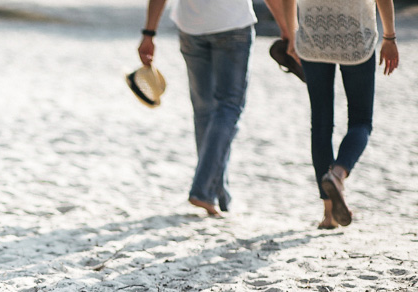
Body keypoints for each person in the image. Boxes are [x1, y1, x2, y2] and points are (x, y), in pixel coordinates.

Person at [139, 0, 288, 218]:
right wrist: (285, 28)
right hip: (232, 24)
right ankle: (205, 190)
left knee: (204, 111)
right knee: (228, 107)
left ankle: (218, 193)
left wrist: (149, 32)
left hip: (191, 27)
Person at [282, 0, 399, 229]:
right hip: (356, 39)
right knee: (361, 121)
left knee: (321, 125)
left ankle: (329, 213)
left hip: (312, 39)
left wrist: (292, 33)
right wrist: (390, 37)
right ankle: (337, 174)